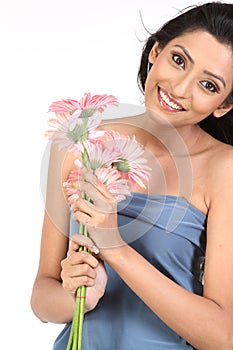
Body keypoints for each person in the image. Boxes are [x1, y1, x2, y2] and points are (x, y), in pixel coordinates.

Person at [31, 2, 233, 349]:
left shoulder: (224, 170)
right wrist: (80, 295)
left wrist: (116, 248)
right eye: (179, 60)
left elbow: (223, 336)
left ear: (223, 105)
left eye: (209, 85)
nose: (181, 88)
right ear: (156, 51)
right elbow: (41, 297)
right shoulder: (80, 142)